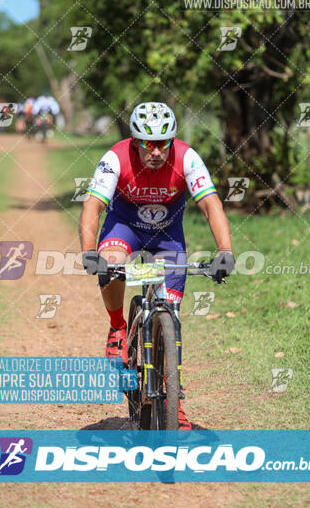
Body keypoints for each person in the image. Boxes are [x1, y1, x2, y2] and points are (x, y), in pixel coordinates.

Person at [79, 102, 235, 428]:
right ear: (135, 141)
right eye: (148, 144)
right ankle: (118, 327)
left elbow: (210, 204)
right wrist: (88, 252)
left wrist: (225, 251)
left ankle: (172, 400)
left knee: (171, 316)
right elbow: (93, 206)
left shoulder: (187, 158)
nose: (156, 152)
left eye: (163, 143)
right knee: (112, 265)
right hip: (124, 226)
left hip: (168, 235)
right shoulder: (115, 158)